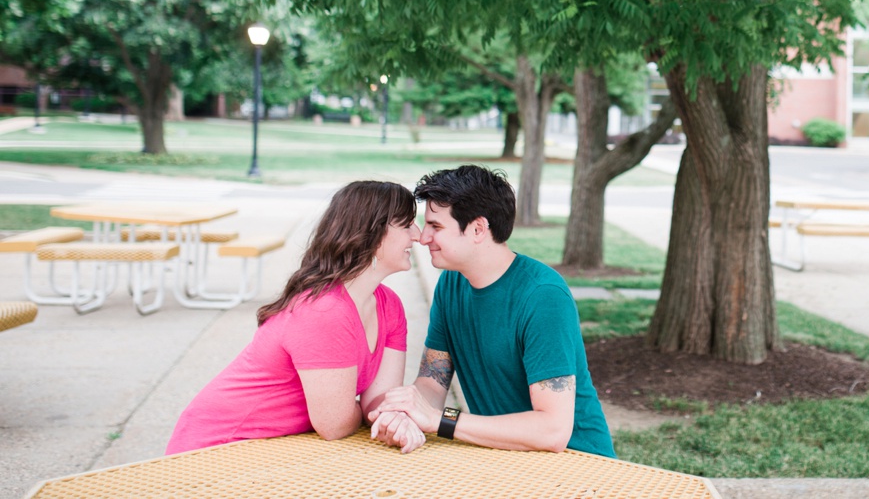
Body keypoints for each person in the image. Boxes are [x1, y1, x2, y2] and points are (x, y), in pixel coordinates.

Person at [368, 165, 614, 457]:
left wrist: (439, 421)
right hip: (504, 457)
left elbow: (553, 431)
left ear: (477, 229)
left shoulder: (543, 296)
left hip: (579, 464)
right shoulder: (452, 284)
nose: (423, 238)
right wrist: (404, 412)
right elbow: (433, 381)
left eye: (436, 226)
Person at [166, 180, 424, 454]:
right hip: (218, 448)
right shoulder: (325, 310)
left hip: (276, 447)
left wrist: (392, 417)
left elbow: (380, 402)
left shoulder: (390, 306)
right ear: (373, 234)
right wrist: (384, 414)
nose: (418, 235)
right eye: (407, 224)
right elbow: (334, 425)